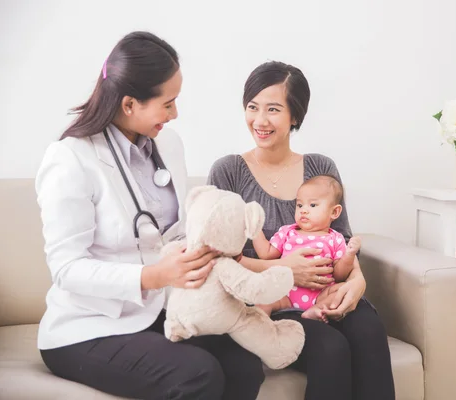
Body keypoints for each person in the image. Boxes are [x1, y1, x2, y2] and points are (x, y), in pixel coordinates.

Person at [36, 31, 264, 400]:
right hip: (88, 327)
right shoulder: (70, 159)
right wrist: (154, 276)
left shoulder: (168, 145)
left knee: (245, 364)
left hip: (156, 313)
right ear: (129, 104)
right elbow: (66, 269)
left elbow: (171, 232)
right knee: (198, 375)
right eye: (168, 103)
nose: (176, 114)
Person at [207, 61, 395, 400]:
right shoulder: (228, 172)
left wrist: (357, 283)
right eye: (252, 107)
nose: (259, 121)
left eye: (273, 109)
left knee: (368, 330)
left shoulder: (321, 168)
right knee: (331, 349)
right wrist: (282, 268)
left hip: (330, 291)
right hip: (272, 304)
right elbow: (216, 259)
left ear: (295, 115)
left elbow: (342, 240)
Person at [252, 174, 361, 322]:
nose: (303, 210)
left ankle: (317, 309)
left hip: (321, 294)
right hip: (286, 293)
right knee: (263, 299)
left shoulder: (335, 238)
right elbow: (266, 254)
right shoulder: (287, 232)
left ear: (334, 212)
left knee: (340, 289)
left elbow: (339, 275)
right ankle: (257, 325)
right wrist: (255, 230)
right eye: (300, 205)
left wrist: (349, 255)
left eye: (313, 205)